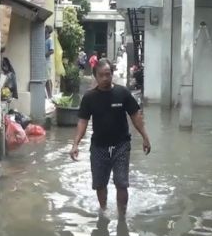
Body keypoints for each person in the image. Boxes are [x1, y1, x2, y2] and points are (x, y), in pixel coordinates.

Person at [70, 59, 151, 215]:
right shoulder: (89, 98)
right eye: (102, 75)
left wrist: (145, 137)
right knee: (100, 184)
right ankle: (104, 211)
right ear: (95, 77)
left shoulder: (122, 93)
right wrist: (75, 144)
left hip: (121, 145)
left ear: (112, 74)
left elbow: (136, 116)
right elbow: (82, 122)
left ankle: (122, 216)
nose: (106, 78)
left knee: (121, 183)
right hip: (99, 146)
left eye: (108, 74)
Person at [45, 25, 54, 97]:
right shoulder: (44, 39)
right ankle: (49, 95)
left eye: (45, 28)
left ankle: (50, 95)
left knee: (47, 79)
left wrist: (44, 55)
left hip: (47, 62)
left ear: (48, 31)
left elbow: (52, 51)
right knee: (46, 79)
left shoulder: (50, 40)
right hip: (43, 62)